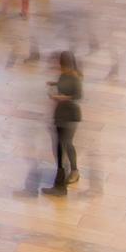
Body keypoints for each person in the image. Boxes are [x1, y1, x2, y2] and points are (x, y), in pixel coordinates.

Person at [42, 50, 81, 196]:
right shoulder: (64, 75)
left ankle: (65, 180)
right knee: (61, 146)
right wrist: (54, 84)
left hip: (70, 117)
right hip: (60, 116)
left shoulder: (75, 78)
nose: (59, 67)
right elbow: (61, 84)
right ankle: (64, 177)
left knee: (65, 145)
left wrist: (62, 98)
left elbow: (78, 95)